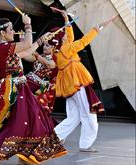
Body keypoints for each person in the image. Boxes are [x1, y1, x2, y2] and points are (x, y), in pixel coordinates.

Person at [0, 16, 67, 164]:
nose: (13, 31)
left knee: (30, 121)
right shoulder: (1, 48)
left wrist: (41, 40)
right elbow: (28, 44)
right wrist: (28, 25)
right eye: (10, 29)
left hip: (19, 88)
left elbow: (27, 51)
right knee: (18, 124)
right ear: (2, 33)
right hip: (13, 90)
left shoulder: (2, 49)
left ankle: (25, 157)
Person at [49, 9, 115, 152]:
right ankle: (85, 144)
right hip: (76, 83)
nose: (68, 35)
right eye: (65, 35)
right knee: (88, 114)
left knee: (74, 117)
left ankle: (53, 138)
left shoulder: (59, 51)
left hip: (69, 86)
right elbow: (84, 41)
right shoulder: (67, 48)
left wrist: (66, 19)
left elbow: (70, 36)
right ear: (62, 39)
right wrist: (98, 28)